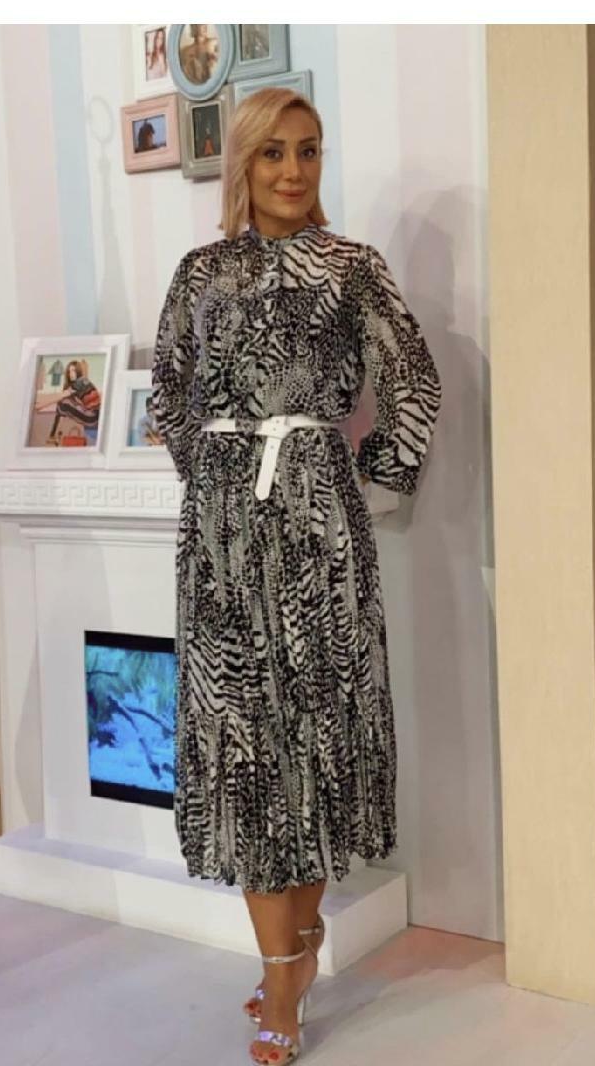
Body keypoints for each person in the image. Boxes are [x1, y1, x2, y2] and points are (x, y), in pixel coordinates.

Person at [150, 88, 441, 1064]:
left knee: (316, 741)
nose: (292, 170)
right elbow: (169, 393)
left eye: (308, 151)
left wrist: (364, 478)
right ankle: (287, 958)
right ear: (242, 162)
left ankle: (289, 960)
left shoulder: (351, 267)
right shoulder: (200, 273)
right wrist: (219, 483)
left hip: (320, 535)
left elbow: (414, 379)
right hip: (222, 546)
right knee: (241, 747)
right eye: (273, 152)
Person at [37, 360, 101, 445]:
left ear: (78, 371)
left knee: (63, 403)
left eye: (73, 371)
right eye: (69, 371)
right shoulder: (81, 382)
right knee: (63, 403)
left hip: (93, 418)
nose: (71, 374)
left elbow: (61, 396)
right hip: (93, 418)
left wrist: (41, 405)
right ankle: (55, 435)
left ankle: (53, 435)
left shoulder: (80, 382)